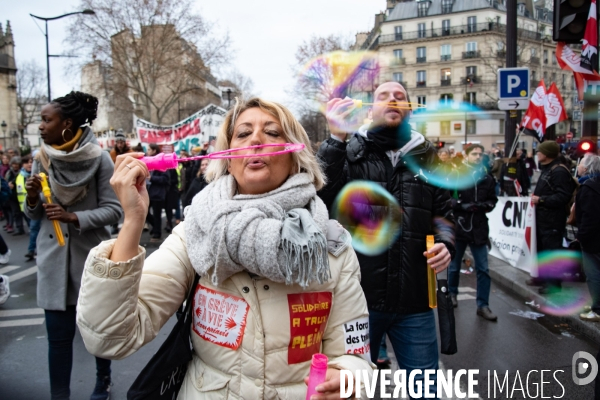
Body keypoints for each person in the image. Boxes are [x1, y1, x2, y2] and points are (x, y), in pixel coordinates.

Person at [76, 97, 374, 399]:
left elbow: (353, 352)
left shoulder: (330, 244)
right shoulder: (195, 231)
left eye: (272, 133)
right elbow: (111, 338)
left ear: (295, 154)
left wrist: (347, 377)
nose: (256, 139)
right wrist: (133, 222)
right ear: (229, 157)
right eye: (243, 134)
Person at [317, 81, 455, 394]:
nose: (392, 99)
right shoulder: (351, 151)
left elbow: (443, 214)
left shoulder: (427, 157)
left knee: (425, 389)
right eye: (383, 96)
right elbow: (320, 195)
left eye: (400, 96)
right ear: (371, 109)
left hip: (415, 303)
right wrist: (336, 137)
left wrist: (446, 243)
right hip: (356, 302)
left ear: (408, 108)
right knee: (348, 390)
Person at [24, 91, 122, 400]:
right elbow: (35, 213)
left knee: (96, 332)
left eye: (46, 120)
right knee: (58, 338)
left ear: (66, 124)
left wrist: (73, 216)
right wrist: (31, 198)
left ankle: (103, 380)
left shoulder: (99, 157)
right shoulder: (41, 158)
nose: (40, 126)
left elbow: (114, 210)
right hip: (53, 262)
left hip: (90, 259)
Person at [448, 144, 498, 320]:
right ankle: (452, 294)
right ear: (466, 156)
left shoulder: (487, 177)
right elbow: (447, 198)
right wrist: (460, 206)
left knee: (483, 268)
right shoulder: (456, 175)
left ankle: (483, 305)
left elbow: (493, 199)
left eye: (480, 154)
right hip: (460, 226)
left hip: (479, 228)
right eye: (474, 154)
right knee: (453, 266)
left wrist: (483, 206)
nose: (477, 157)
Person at [527, 140, 577, 294]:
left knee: (552, 250)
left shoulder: (559, 171)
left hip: (553, 219)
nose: (537, 154)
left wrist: (541, 200)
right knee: (542, 249)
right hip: (544, 218)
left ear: (547, 154)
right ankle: (542, 278)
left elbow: (563, 196)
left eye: (539, 151)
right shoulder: (548, 169)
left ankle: (553, 284)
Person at [575, 154, 600, 321]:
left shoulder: (589, 187)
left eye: (581, 163)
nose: (578, 166)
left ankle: (597, 309)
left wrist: (581, 237)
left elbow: (589, 217)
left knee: (593, 274)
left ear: (586, 167)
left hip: (593, 240)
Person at [16, 155, 40, 261]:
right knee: (33, 229)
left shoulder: (39, 173)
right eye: (27, 162)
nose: (29, 164)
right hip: (25, 208)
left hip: (39, 207)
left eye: (31, 162)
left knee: (35, 228)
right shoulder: (19, 176)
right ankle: (32, 249)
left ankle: (32, 250)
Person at [145, 143, 170, 242]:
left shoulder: (161, 162)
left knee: (157, 214)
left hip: (158, 193)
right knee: (145, 212)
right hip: (149, 192)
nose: (147, 152)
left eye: (149, 150)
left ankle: (157, 233)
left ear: (154, 151)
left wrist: (152, 178)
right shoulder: (148, 161)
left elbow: (165, 178)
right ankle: (155, 227)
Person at [109, 130, 131, 234]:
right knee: (115, 204)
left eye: (121, 142)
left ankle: (129, 225)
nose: (120, 145)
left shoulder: (130, 152)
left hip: (128, 180)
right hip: (117, 180)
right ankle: (115, 225)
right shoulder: (113, 153)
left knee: (128, 204)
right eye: (118, 143)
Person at [5, 156, 25, 235]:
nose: (15, 165)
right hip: (12, 196)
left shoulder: (23, 172)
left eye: (17, 164)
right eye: (14, 164)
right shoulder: (9, 173)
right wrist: (8, 185)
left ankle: (31, 227)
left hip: (22, 196)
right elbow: (5, 182)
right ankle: (19, 228)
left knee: (25, 212)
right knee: (16, 213)